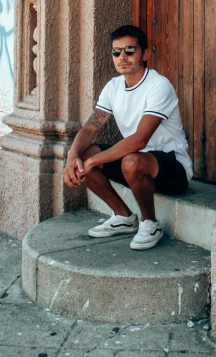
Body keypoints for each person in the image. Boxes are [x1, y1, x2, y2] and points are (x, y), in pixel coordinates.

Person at [63, 24, 193, 250]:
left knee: (127, 160)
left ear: (144, 54)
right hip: (133, 165)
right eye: (117, 52)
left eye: (129, 51)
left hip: (172, 168)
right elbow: (91, 127)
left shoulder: (158, 86)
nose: (122, 57)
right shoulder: (113, 87)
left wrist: (92, 162)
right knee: (85, 153)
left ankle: (150, 224)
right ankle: (123, 217)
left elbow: (140, 140)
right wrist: (72, 156)